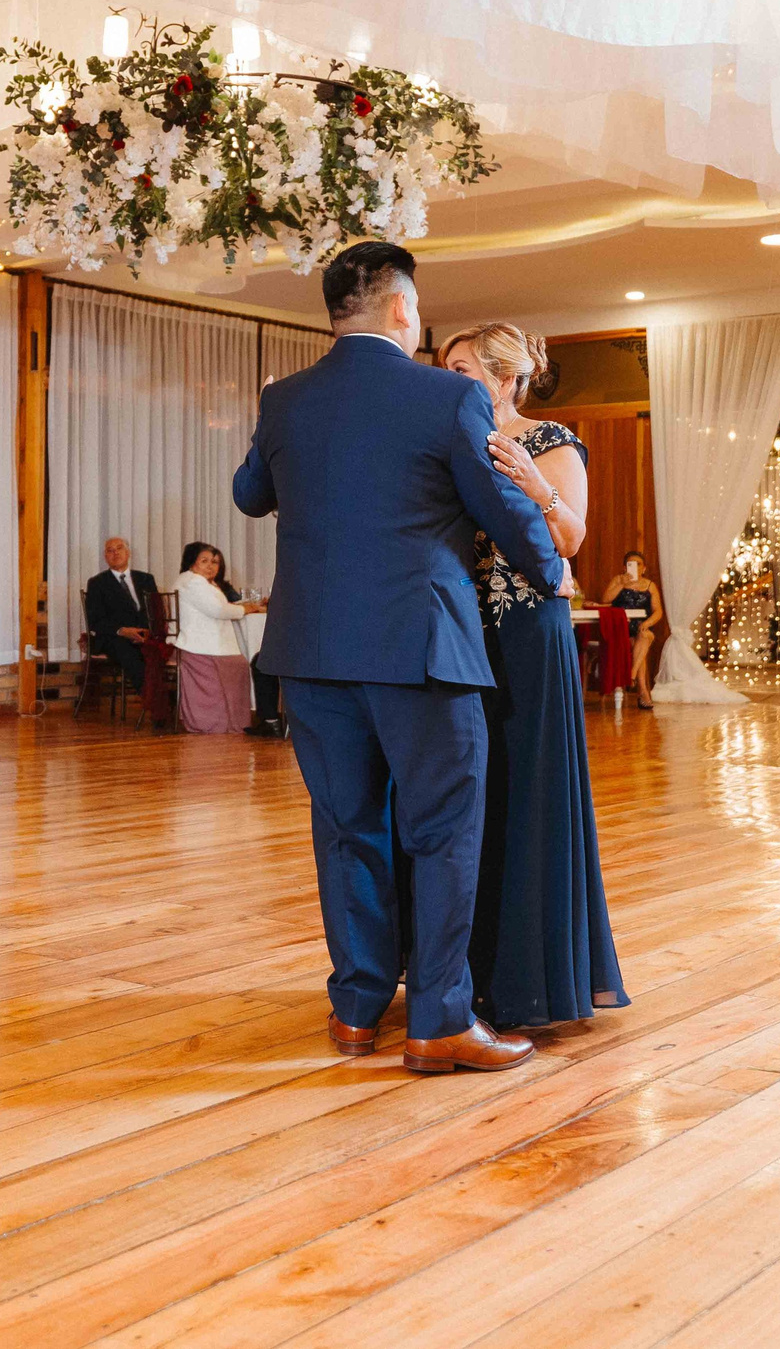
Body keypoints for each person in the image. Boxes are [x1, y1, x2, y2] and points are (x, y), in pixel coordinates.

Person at [234, 241, 562, 1076]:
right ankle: (439, 1022)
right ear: (403, 310)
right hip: (422, 649)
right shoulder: (447, 396)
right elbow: (500, 508)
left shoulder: (286, 401)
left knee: (347, 831)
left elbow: (250, 495)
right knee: (443, 831)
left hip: (311, 651)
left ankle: (354, 1010)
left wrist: (277, 426)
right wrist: (548, 566)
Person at [441, 322, 630, 1031]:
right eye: (446, 367)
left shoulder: (550, 440)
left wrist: (528, 482)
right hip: (463, 629)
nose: (451, 379)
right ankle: (471, 972)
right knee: (471, 796)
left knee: (530, 789)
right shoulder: (451, 443)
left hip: (528, 629)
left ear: (506, 376)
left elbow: (572, 537)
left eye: (463, 368)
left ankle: (535, 979)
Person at [172, 542, 263, 734]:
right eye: (204, 561)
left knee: (239, 664)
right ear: (191, 562)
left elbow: (219, 606)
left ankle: (231, 723)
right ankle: (224, 724)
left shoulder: (197, 581)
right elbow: (219, 610)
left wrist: (246, 607)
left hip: (204, 643)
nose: (210, 566)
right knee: (241, 665)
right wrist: (248, 608)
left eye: (214, 562)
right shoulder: (193, 582)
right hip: (202, 646)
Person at [83, 537, 160, 698]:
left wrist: (146, 632)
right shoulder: (97, 583)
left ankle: (172, 702)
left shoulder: (146, 579)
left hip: (145, 635)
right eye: (110, 550)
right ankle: (153, 704)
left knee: (161, 652)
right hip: (115, 638)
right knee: (131, 654)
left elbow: (156, 611)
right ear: (105, 556)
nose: (115, 553)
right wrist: (123, 631)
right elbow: (95, 621)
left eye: (119, 548)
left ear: (128, 553)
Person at [598, 551, 663, 708]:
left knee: (644, 636)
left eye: (638, 564)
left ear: (644, 568)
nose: (635, 567)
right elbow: (605, 599)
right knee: (639, 647)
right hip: (620, 629)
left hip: (641, 626)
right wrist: (622, 584)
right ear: (624, 567)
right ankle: (642, 692)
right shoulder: (618, 580)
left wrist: (648, 622)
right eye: (630, 564)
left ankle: (631, 675)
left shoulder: (649, 585)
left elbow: (658, 611)